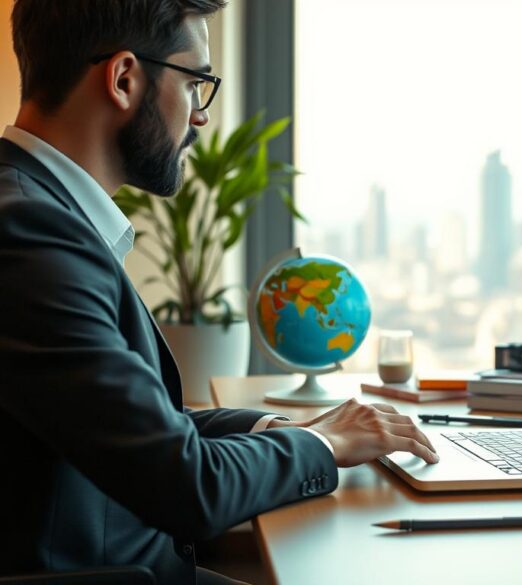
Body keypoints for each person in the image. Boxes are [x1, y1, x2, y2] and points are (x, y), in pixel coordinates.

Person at [0, 1, 438, 583]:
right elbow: (183, 484)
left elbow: (144, 430)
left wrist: (290, 431)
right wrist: (324, 446)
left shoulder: (36, 210)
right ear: (124, 78)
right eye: (195, 82)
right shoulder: (31, 233)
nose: (201, 118)